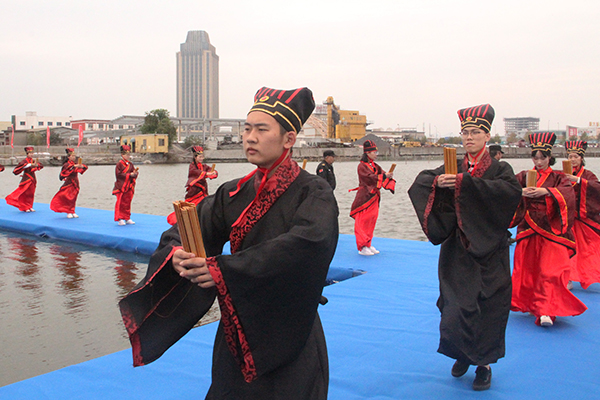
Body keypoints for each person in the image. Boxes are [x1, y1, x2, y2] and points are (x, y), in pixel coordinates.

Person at [119, 87, 338, 399]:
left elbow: (308, 244)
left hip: (291, 328)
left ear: (288, 139)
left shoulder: (313, 191)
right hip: (238, 324)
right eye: (247, 129)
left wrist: (224, 270)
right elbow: (189, 228)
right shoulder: (233, 192)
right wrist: (177, 253)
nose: (250, 138)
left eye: (261, 130)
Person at [408, 104, 522, 391]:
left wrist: (464, 183)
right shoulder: (452, 165)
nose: (469, 137)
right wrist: (438, 181)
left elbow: (509, 194)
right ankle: (462, 354)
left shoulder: (500, 169)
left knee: (487, 307)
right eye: (465, 133)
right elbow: (421, 182)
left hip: (489, 250)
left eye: (475, 132)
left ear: (487, 136)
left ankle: (483, 365)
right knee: (455, 306)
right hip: (457, 249)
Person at [510, 132, 587, 328]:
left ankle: (547, 309)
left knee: (551, 270)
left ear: (549, 157)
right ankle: (531, 302)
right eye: (535, 158)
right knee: (528, 269)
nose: (538, 162)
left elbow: (569, 195)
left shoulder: (558, 177)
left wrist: (546, 192)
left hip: (552, 229)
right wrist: (520, 192)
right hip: (528, 226)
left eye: (542, 158)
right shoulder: (523, 176)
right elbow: (505, 189)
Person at [562, 140, 600, 289]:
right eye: (570, 156)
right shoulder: (562, 174)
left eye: (576, 156)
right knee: (566, 248)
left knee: (591, 249)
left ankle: (594, 274)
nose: (572, 159)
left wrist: (579, 181)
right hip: (568, 218)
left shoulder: (588, 175)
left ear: (581, 158)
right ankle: (568, 277)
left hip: (584, 218)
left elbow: (597, 188)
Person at [350, 140, 395, 256]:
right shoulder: (361, 166)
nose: (376, 155)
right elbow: (369, 178)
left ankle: (368, 243)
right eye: (374, 152)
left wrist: (388, 176)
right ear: (368, 153)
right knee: (362, 221)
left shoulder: (374, 165)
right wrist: (384, 176)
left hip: (374, 196)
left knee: (371, 220)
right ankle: (362, 246)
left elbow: (382, 174)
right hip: (365, 196)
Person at [166, 145, 218, 225]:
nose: (201, 158)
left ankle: (200, 219)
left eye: (202, 157)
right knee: (193, 204)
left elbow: (210, 170)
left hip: (203, 189)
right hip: (195, 189)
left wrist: (213, 172)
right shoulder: (192, 166)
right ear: (195, 157)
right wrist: (206, 174)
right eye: (200, 157)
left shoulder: (204, 166)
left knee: (204, 203)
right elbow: (195, 173)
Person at [50, 148, 88, 218]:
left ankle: (72, 210)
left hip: (75, 181)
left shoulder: (75, 164)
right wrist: (74, 166)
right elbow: (65, 172)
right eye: (72, 156)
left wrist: (81, 166)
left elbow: (84, 168)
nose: (74, 157)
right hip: (69, 182)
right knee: (68, 197)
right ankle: (68, 211)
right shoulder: (67, 164)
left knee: (74, 197)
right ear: (69, 157)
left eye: (74, 156)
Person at [6, 146, 44, 212]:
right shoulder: (24, 161)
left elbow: (40, 165)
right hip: (26, 179)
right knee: (24, 193)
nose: (31, 154)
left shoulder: (33, 161)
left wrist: (36, 165)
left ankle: (30, 206)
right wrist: (29, 165)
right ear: (27, 154)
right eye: (30, 153)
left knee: (31, 193)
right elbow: (16, 170)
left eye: (32, 153)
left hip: (32, 178)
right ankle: (24, 207)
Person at [112, 144, 138, 226]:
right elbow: (118, 175)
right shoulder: (119, 164)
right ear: (122, 155)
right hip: (121, 186)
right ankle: (120, 218)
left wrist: (135, 174)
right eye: (126, 155)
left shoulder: (130, 164)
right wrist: (129, 175)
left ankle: (127, 217)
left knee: (127, 202)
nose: (128, 156)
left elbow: (134, 173)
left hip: (129, 186)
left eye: (129, 155)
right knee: (120, 203)